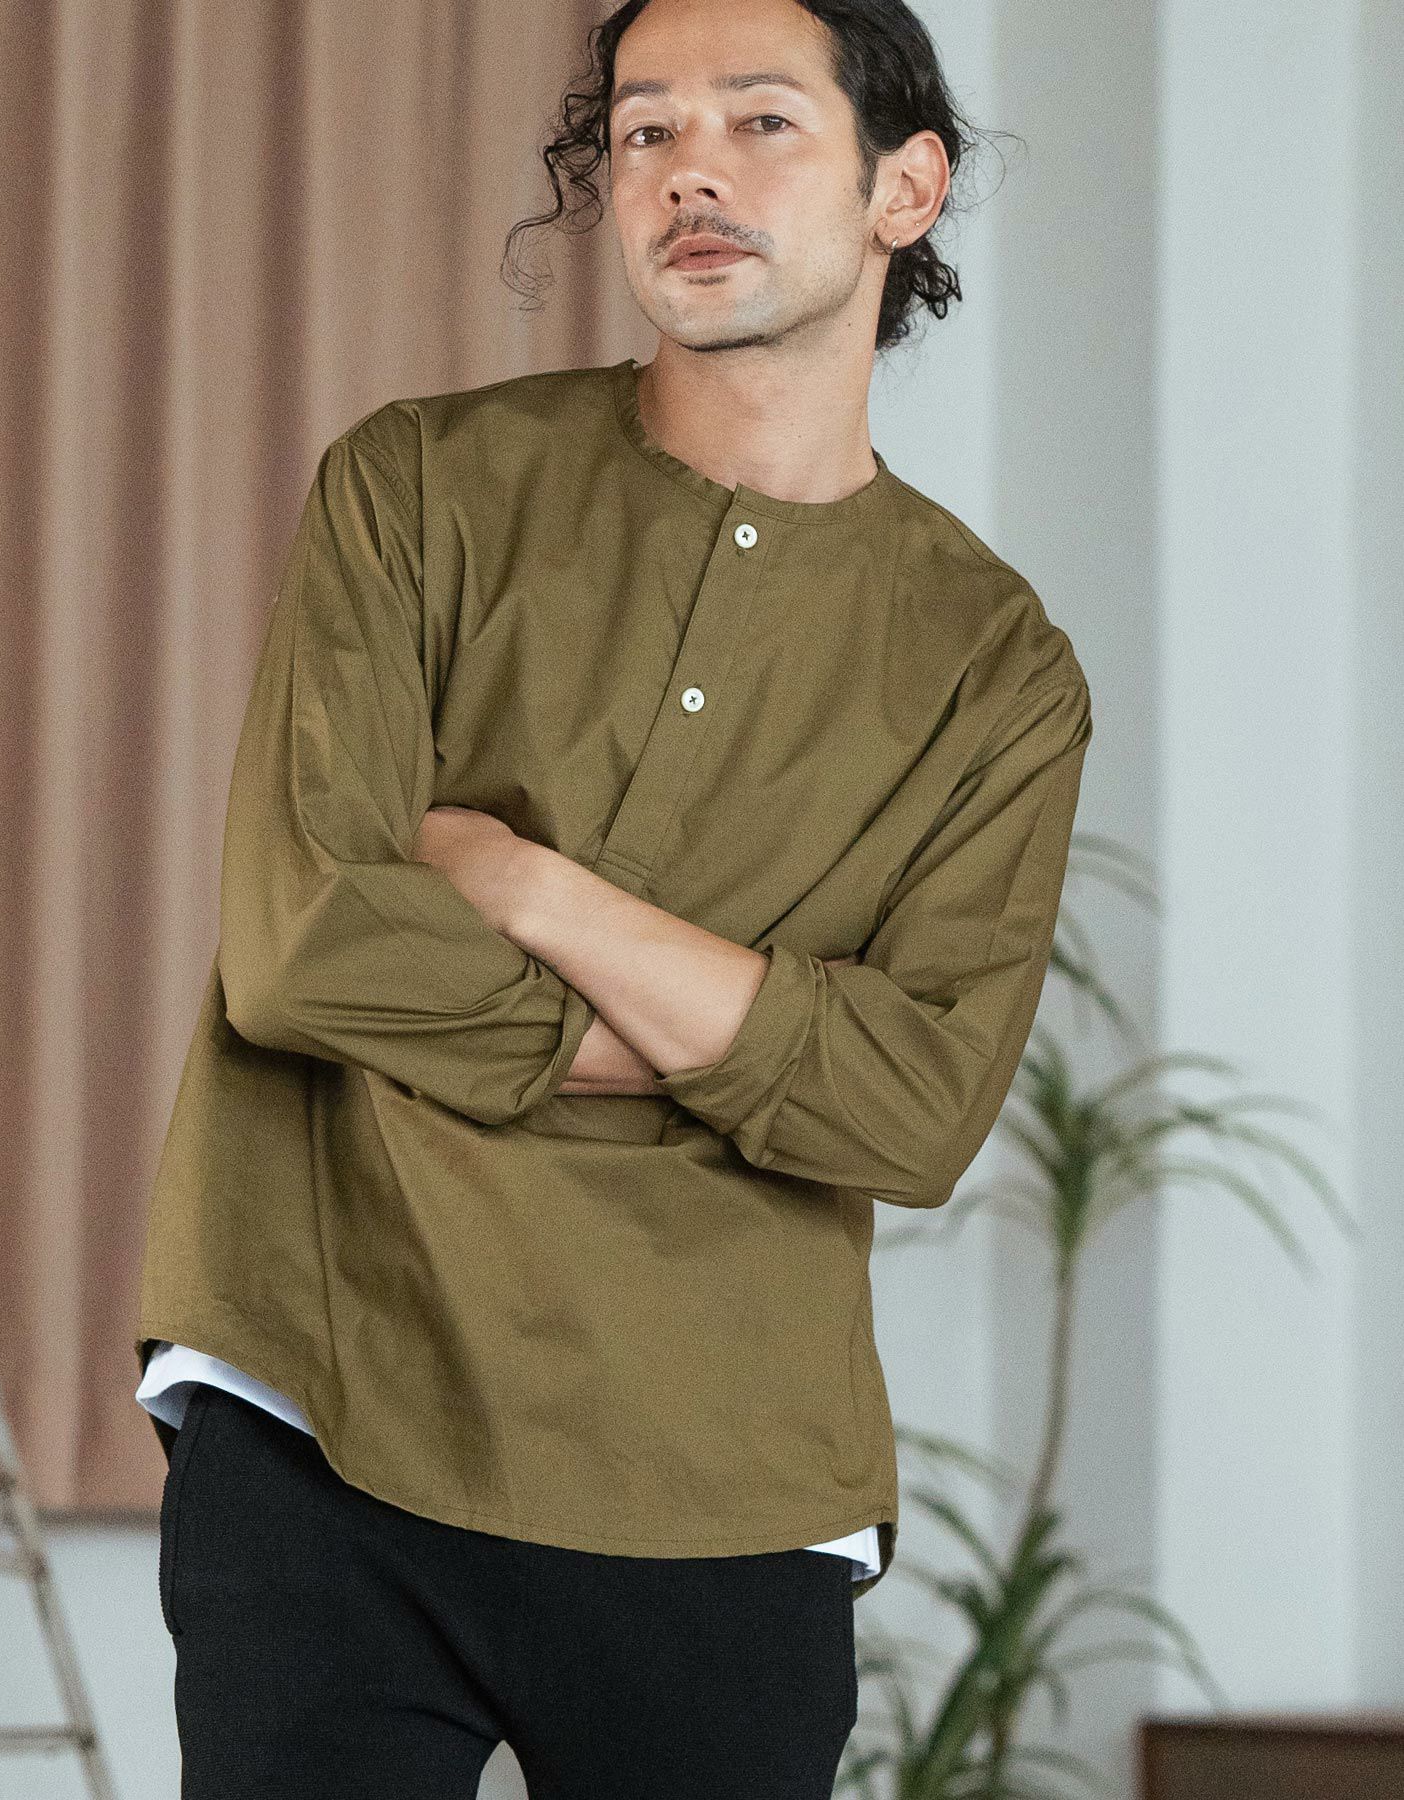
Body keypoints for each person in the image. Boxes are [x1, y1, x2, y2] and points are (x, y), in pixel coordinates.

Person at [134, 0, 1093, 1794]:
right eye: (645, 130)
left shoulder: (996, 665)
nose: (687, 174)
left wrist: (528, 885)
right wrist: (746, 1031)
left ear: (905, 189)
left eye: (759, 122)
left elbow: (912, 1106)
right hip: (328, 1398)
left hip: (724, 1459)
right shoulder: (417, 486)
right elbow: (304, 947)